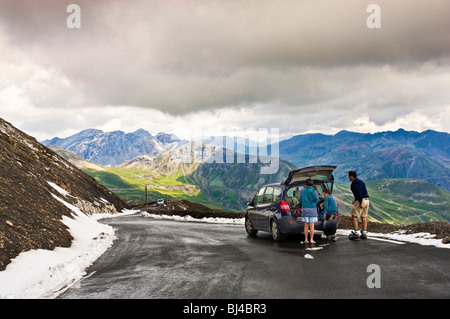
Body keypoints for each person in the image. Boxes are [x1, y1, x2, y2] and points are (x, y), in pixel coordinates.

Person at [348, 170, 370, 240]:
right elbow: (363, 191)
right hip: (366, 200)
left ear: (351, 176)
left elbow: (358, 192)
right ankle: (364, 233)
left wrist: (360, 202)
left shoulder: (354, 183)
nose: (348, 177)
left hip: (361, 201)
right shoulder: (361, 181)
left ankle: (356, 232)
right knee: (363, 216)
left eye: (348, 176)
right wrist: (355, 199)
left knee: (354, 216)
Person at [299, 179, 319, 244]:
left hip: (305, 209)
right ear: (312, 184)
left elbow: (300, 199)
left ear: (306, 184)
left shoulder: (302, 191)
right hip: (312, 209)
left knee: (306, 225)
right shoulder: (314, 191)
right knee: (312, 225)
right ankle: (311, 240)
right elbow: (317, 199)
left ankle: (306, 240)